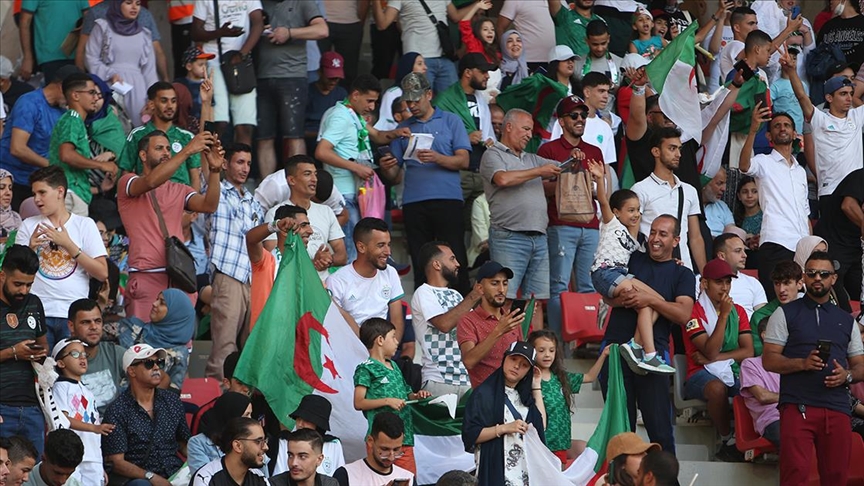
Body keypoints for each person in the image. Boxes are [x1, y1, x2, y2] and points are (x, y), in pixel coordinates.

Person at [763, 250, 864, 486]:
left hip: (837, 406)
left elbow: (860, 365)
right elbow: (769, 360)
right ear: (804, 277)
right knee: (795, 474)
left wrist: (847, 375)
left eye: (824, 274)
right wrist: (802, 363)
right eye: (811, 273)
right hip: (798, 405)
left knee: (836, 476)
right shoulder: (784, 313)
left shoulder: (846, 320)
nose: (817, 278)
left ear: (833, 279)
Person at [601, 216, 696, 454]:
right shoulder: (632, 258)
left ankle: (666, 474)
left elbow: (683, 314)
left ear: (676, 240)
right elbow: (606, 293)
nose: (655, 239)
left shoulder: (682, 273)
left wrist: (649, 300)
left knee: (659, 428)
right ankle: (620, 475)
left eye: (663, 234)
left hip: (652, 355)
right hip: (615, 349)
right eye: (652, 232)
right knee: (620, 431)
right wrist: (626, 299)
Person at [117, 129, 220, 320]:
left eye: (168, 148)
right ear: (143, 155)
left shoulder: (179, 189)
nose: (165, 152)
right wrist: (188, 151)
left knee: (180, 340)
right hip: (146, 276)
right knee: (144, 338)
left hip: (179, 278)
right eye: (159, 148)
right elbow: (151, 181)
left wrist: (215, 171)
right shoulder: (128, 181)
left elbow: (209, 205)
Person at [383, 72, 472, 294]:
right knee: (420, 257)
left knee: (454, 255)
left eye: (416, 100)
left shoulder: (451, 120)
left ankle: (462, 303)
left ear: (429, 95)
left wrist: (437, 158)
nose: (412, 105)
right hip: (414, 200)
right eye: (408, 101)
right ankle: (423, 305)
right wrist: (387, 166)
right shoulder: (403, 128)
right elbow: (394, 176)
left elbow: (464, 160)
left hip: (447, 198)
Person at [588, 163, 673, 375]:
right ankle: (649, 354)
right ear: (616, 213)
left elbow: (648, 253)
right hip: (605, 272)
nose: (636, 214)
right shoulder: (611, 224)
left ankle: (635, 345)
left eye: (638, 210)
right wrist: (599, 179)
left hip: (620, 274)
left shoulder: (633, 236)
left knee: (658, 301)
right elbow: (604, 201)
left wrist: (675, 262)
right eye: (631, 210)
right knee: (644, 304)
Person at [481, 108, 561, 323]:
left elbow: (561, 168)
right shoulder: (493, 154)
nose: (529, 135)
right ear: (508, 127)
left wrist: (574, 160)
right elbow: (503, 179)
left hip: (539, 237)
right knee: (503, 299)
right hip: (509, 237)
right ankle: (504, 343)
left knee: (535, 301)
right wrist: (539, 172)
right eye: (525, 129)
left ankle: (535, 344)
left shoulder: (531, 158)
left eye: (531, 130)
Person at [316, 74, 408, 261]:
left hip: (356, 192)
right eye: (369, 101)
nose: (372, 107)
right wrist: (355, 168)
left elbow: (377, 135)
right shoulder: (340, 117)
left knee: (359, 250)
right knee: (352, 253)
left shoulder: (353, 114)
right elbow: (322, 151)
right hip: (344, 195)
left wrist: (396, 132)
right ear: (356, 95)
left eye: (375, 102)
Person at [10, 167, 104, 349]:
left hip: (74, 314)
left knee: (72, 364)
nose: (36, 199)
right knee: (41, 366)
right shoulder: (28, 225)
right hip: (36, 312)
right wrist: (30, 249)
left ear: (60, 191)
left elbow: (101, 273)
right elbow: (14, 275)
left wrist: (68, 244)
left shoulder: (85, 224)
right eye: (34, 194)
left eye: (42, 192)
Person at [538, 95, 604, 324]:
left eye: (583, 115)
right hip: (561, 225)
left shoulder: (594, 151)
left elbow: (602, 191)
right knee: (559, 285)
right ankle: (558, 341)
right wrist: (570, 170)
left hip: (591, 225)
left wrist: (592, 183)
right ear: (561, 121)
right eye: (574, 115)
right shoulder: (548, 150)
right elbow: (540, 188)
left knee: (589, 286)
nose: (580, 119)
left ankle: (586, 337)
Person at [780, 46, 864, 218]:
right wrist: (791, 71)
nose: (849, 98)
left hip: (854, 193)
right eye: (843, 94)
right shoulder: (820, 118)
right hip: (830, 190)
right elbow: (802, 96)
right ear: (829, 97)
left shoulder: (857, 115)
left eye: (850, 93)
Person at [683, 259, 754, 461]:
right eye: (718, 282)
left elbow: (748, 351)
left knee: (750, 388)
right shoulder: (693, 312)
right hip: (697, 373)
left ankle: (750, 439)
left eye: (728, 282)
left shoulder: (739, 311)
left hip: (731, 369)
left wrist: (715, 358)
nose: (724, 288)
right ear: (705, 283)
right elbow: (711, 350)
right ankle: (726, 438)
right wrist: (723, 316)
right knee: (717, 389)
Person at [205, 143, 264, 380]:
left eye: (248, 163)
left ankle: (244, 398)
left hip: (253, 278)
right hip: (228, 274)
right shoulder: (215, 191)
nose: (245, 168)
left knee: (251, 346)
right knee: (224, 346)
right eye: (239, 162)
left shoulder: (253, 201)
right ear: (225, 164)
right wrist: (212, 166)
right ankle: (219, 396)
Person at [740, 105, 810, 299]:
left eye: (787, 125)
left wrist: (810, 244)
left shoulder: (800, 171)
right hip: (776, 243)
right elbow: (744, 165)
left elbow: (805, 213)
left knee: (800, 304)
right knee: (775, 302)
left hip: (801, 247)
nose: (782, 128)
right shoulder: (763, 162)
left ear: (794, 133)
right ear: (769, 136)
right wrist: (753, 130)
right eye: (777, 126)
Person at [254, 0, 327, 175]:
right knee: (264, 137)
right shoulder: (259, 3)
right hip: (260, 75)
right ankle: (266, 187)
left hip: (292, 76)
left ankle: (300, 184)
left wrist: (289, 32)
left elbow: (322, 30)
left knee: (294, 135)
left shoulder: (302, 2)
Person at [103, 344, 191, 485]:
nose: (156, 368)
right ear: (132, 371)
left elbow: (183, 443)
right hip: (141, 478)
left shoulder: (172, 401)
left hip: (175, 473)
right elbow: (116, 462)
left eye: (159, 363)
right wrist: (151, 477)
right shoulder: (117, 410)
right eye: (149, 363)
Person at [462, 341, 546, 485]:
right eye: (513, 359)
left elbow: (541, 427)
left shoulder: (525, 398)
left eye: (524, 365)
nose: (517, 366)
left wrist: (536, 386)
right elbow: (470, 435)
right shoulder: (484, 394)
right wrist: (504, 428)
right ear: (504, 358)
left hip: (526, 475)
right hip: (496, 471)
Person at [353, 318, 431, 474]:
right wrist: (387, 401)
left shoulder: (394, 365)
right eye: (393, 337)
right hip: (381, 441)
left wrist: (417, 396)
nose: (397, 342)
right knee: (381, 479)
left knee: (407, 479)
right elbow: (359, 402)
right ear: (380, 340)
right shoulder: (366, 369)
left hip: (404, 439)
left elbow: (407, 394)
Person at [432, 53, 496, 240]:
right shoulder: (445, 100)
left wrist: (490, 141)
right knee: (450, 226)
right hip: (457, 174)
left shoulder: (481, 99)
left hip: (480, 171)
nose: (487, 76)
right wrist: (464, 138)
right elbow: (435, 136)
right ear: (468, 72)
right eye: (482, 71)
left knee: (478, 231)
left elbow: (487, 131)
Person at [0, 65, 77, 209]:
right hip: (12, 182)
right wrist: (52, 166)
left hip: (37, 183)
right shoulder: (29, 103)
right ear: (62, 86)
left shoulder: (62, 112)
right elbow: (17, 148)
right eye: (73, 92)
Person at [631, 127, 705, 273]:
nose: (678, 154)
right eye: (672, 148)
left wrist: (705, 275)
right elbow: (632, 234)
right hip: (651, 269)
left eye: (679, 149)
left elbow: (695, 237)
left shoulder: (689, 191)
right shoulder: (640, 189)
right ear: (656, 151)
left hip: (684, 268)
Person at [191, 0, 264, 149]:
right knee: (219, 123)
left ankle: (242, 161)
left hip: (240, 65)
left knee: (245, 126)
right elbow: (195, 32)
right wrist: (220, 33)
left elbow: (258, 24)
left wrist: (242, 54)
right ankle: (213, 161)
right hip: (213, 62)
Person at [411, 242, 479, 399]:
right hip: (438, 380)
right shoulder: (423, 292)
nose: (458, 264)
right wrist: (474, 295)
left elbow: (473, 328)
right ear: (437, 264)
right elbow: (444, 324)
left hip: (467, 379)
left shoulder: (456, 295)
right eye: (452, 259)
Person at [529, 329, 609, 464]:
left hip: (561, 443)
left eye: (551, 350)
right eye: (541, 350)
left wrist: (604, 355)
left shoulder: (561, 377)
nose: (547, 355)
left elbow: (590, 377)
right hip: (540, 444)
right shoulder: (529, 380)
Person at [263, 156, 347, 282]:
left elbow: (342, 256)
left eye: (315, 174)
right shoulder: (275, 213)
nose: (314, 179)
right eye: (307, 174)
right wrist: (313, 262)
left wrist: (327, 260)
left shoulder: (327, 211)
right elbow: (274, 258)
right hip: (292, 285)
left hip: (323, 286)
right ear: (291, 180)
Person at [47, 73, 119, 215]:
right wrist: (101, 165)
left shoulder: (76, 121)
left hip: (72, 192)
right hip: (69, 194)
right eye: (91, 92)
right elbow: (66, 155)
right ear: (75, 95)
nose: (96, 97)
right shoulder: (72, 118)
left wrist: (100, 188)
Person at [0, 245, 48, 456]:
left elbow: (44, 344)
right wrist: (13, 352)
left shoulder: (34, 303)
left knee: (32, 469)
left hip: (32, 407)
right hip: (2, 406)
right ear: (2, 275)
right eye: (18, 284)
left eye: (29, 285)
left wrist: (39, 353)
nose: (23, 291)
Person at [84, 0, 159, 128]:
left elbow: (149, 71)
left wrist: (152, 99)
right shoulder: (103, 28)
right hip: (109, 85)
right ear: (117, 4)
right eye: (129, 3)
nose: (134, 7)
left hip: (138, 90)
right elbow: (90, 58)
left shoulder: (144, 34)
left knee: (139, 128)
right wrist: (109, 74)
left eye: (138, 3)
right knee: (113, 127)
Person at [326, 217, 405, 338]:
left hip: (383, 346)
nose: (388, 252)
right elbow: (335, 326)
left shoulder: (390, 272)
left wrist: (390, 347)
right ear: (361, 247)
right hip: (349, 346)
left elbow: (397, 321)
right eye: (381, 245)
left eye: (388, 244)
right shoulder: (337, 281)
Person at [119, 82, 206, 191]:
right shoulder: (137, 135)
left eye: (173, 101)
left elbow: (195, 176)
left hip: (180, 198)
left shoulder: (187, 137)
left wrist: (192, 201)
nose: (170, 106)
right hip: (148, 197)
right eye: (164, 101)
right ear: (151, 104)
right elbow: (126, 171)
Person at [49, 338, 111, 484]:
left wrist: (100, 465)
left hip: (93, 455)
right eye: (75, 354)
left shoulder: (87, 391)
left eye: (84, 354)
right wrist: (94, 428)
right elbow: (63, 419)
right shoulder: (60, 387)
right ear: (61, 363)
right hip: (71, 453)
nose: (82, 358)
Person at [371, 0, 468, 94]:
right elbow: (382, 25)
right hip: (419, 59)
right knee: (419, 100)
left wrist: (476, 5)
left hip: (444, 57)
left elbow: (456, 17)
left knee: (452, 100)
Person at [457, 261, 525, 388]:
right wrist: (499, 330)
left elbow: (522, 360)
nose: (501, 289)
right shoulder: (468, 320)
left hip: (513, 393)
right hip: (485, 395)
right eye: (495, 283)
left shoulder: (511, 319)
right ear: (480, 288)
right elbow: (469, 361)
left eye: (505, 283)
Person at [117, 289, 196, 390]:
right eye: (157, 299)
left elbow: (173, 393)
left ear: (175, 313)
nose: (154, 304)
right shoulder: (133, 328)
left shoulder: (179, 354)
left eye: (162, 303)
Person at [247, 205, 312, 328]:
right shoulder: (266, 261)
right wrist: (275, 225)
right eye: (303, 225)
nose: (310, 231)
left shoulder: (305, 267)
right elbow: (251, 240)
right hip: (266, 334)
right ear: (284, 229)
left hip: (294, 334)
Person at [65, 298, 126, 414]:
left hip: (114, 422)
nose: (93, 327)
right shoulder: (62, 359)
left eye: (97, 321)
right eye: (85, 322)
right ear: (71, 326)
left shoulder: (114, 353)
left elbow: (150, 375)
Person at [814, 167, 864, 301]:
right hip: (835, 241)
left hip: (856, 247)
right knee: (833, 286)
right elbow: (848, 205)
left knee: (858, 291)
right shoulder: (860, 176)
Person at [269, 394, 345, 477]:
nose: (300, 424)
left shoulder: (333, 445)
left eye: (306, 420)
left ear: (319, 425)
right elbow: (278, 475)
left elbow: (338, 477)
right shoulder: (284, 441)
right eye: (298, 419)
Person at [332, 411, 415, 486]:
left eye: (396, 450)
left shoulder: (408, 478)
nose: (391, 457)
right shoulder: (346, 475)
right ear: (370, 441)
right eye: (384, 449)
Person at [17, 1, 88, 82]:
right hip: (51, 56)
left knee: (81, 87)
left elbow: (88, 16)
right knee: (58, 89)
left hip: (78, 54)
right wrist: (27, 58)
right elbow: (24, 22)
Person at [191, 417, 269, 486]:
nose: (266, 447)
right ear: (237, 446)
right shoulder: (207, 478)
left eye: (264, 441)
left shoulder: (259, 477)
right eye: (258, 441)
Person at [739, 319, 781, 447]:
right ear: (765, 335)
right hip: (774, 419)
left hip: (801, 416)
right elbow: (763, 396)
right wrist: (793, 397)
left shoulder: (795, 363)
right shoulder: (750, 364)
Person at [187, 392, 252, 472]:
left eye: (250, 414)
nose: (250, 420)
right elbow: (202, 476)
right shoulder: (198, 443)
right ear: (232, 416)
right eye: (246, 415)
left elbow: (262, 475)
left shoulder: (253, 441)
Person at [750, 260, 803, 356]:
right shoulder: (760, 316)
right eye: (777, 283)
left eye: (786, 283)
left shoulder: (811, 311)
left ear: (799, 284)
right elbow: (758, 352)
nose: (781, 290)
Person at [714, 233, 767, 319]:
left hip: (750, 326)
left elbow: (762, 317)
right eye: (738, 251)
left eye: (744, 251)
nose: (745, 255)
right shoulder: (702, 281)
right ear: (722, 256)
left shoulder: (753, 282)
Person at [304, 52, 349, 154]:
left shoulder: (341, 93)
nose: (333, 81)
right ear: (320, 72)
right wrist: (323, 135)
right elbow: (298, 131)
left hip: (335, 140)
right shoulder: (307, 92)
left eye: (336, 78)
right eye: (330, 77)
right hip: (311, 140)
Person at [498, 0, 555, 71]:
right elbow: (500, 28)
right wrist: (506, 54)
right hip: (527, 61)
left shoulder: (561, 1)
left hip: (556, 60)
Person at [269, 429, 339, 486]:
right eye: (290, 455)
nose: (294, 463)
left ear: (319, 460)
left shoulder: (330, 484)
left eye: (302, 456)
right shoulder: (273, 484)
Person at [574, 21, 623, 85]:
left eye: (603, 43)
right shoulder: (576, 65)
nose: (600, 49)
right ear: (587, 41)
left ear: (608, 39)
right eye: (595, 44)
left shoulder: (621, 63)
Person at [733, 176, 762, 265]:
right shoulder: (734, 218)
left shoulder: (766, 215)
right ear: (739, 196)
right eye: (745, 192)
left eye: (754, 191)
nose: (749, 195)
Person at [703, 168, 735, 238]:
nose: (724, 189)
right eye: (719, 183)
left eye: (725, 184)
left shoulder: (722, 206)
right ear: (705, 183)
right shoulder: (691, 204)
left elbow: (731, 233)